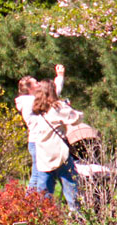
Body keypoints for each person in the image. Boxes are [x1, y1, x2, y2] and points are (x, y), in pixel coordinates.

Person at [32, 79, 82, 212]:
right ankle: (76, 217)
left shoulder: (36, 110)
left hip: (43, 156)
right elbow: (77, 118)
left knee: (43, 194)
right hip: (60, 155)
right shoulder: (58, 108)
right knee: (71, 189)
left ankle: (44, 218)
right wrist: (69, 106)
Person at [15, 65, 66, 190]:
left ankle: (35, 202)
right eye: (36, 83)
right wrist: (59, 77)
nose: (39, 84)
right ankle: (31, 202)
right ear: (29, 89)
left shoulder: (29, 101)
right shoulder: (29, 102)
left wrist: (59, 77)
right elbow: (51, 95)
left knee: (41, 175)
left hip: (38, 141)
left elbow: (51, 94)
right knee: (38, 175)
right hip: (38, 141)